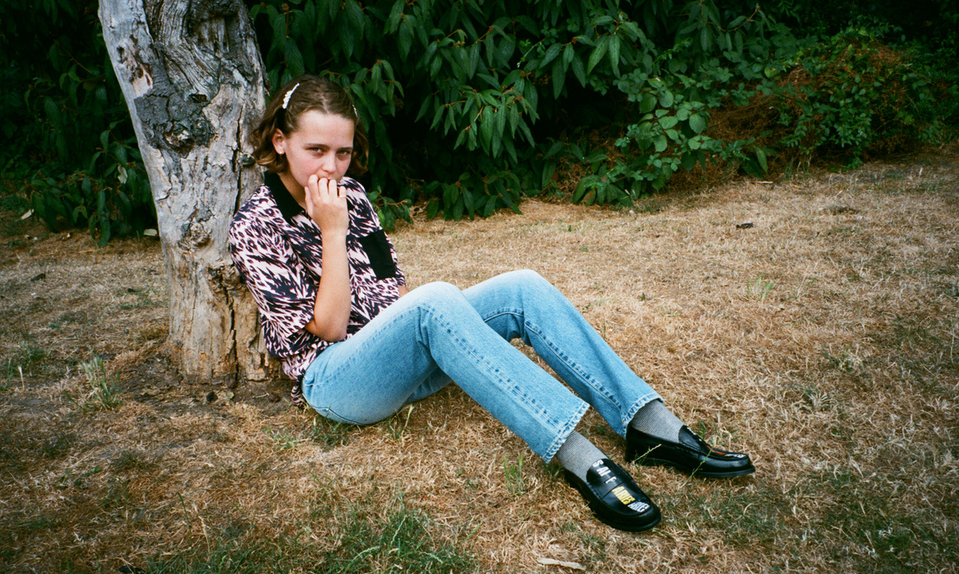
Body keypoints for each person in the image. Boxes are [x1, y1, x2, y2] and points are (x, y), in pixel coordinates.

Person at [229, 75, 755, 533]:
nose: (333, 167)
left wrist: (449, 333)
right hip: (339, 381)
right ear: (280, 141)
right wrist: (332, 231)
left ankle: (649, 425)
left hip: (403, 357)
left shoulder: (355, 197)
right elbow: (329, 327)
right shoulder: (255, 224)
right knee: (436, 300)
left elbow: (394, 293)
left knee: (519, 285)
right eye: (315, 151)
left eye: (342, 153)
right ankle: (580, 458)